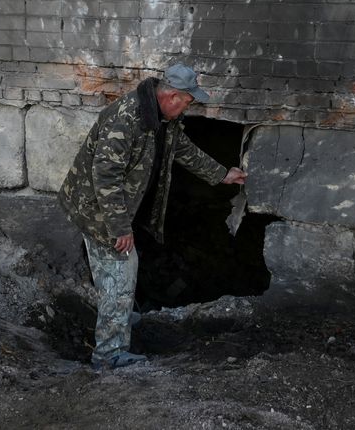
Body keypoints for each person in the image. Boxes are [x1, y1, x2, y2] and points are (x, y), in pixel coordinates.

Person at [59, 63, 247, 370]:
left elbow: (183, 150)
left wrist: (223, 174)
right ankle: (109, 354)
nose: (188, 107)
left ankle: (116, 318)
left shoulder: (163, 118)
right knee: (121, 269)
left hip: (115, 209)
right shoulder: (127, 118)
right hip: (97, 210)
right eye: (187, 101)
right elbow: (105, 177)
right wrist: (120, 228)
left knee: (119, 274)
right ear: (172, 96)